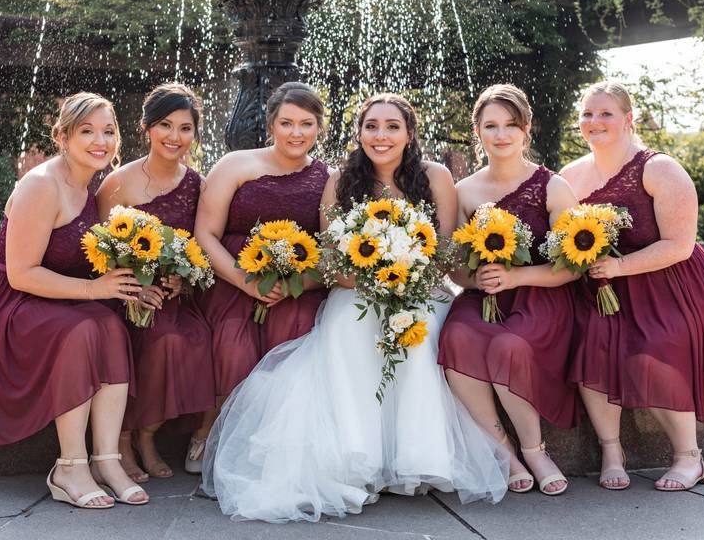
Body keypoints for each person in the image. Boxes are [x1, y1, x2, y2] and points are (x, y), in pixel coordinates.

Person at [202, 93, 510, 523]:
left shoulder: (435, 176)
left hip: (420, 290)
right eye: (371, 126)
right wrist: (373, 278)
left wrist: (405, 272)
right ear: (359, 132)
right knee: (348, 329)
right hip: (357, 289)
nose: (380, 136)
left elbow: (442, 253)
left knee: (421, 337)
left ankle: (418, 455)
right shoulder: (340, 180)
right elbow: (330, 259)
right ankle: (354, 456)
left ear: (409, 133)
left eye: (391, 127)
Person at [0, 93, 148, 508]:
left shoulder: (95, 181)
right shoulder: (41, 185)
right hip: (6, 300)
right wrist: (95, 290)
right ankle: (69, 466)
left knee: (110, 325)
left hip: (50, 294)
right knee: (81, 329)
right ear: (62, 136)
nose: (101, 141)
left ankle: (107, 460)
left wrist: (134, 283)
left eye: (108, 131)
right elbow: (22, 273)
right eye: (87, 131)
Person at [559, 80, 704, 491]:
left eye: (605, 114)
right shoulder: (569, 176)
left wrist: (620, 266)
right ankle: (612, 450)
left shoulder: (658, 168)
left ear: (628, 119)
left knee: (657, 346)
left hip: (668, 283)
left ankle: (690, 457)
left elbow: (680, 245)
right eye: (587, 114)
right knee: (589, 343)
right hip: (603, 288)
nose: (594, 122)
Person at [438, 84, 580, 496]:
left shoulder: (552, 187)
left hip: (542, 296)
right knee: (456, 337)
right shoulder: (464, 192)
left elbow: (572, 267)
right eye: (491, 126)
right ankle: (504, 451)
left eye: (511, 126)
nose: (501, 135)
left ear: (526, 130)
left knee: (508, 347)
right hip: (483, 298)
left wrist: (517, 277)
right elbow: (453, 265)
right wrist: (474, 279)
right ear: (477, 131)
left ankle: (535, 450)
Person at [192, 82, 331, 472]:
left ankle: (276, 442)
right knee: (233, 345)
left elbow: (331, 249)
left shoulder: (328, 178)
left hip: (293, 285)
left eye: (306, 123)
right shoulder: (236, 165)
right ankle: (213, 428)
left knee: (296, 330)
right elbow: (205, 233)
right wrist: (244, 281)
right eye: (286, 122)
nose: (296, 132)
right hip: (231, 278)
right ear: (271, 123)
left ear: (319, 127)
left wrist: (292, 286)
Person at [96, 83, 215, 482]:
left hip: (174, 297)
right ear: (146, 127)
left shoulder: (198, 185)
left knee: (199, 338)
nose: (174, 137)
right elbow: (98, 250)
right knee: (159, 338)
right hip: (123, 295)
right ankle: (125, 439)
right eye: (165, 125)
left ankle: (149, 435)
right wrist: (134, 288)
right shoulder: (118, 183)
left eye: (185, 128)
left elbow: (200, 248)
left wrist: (186, 282)